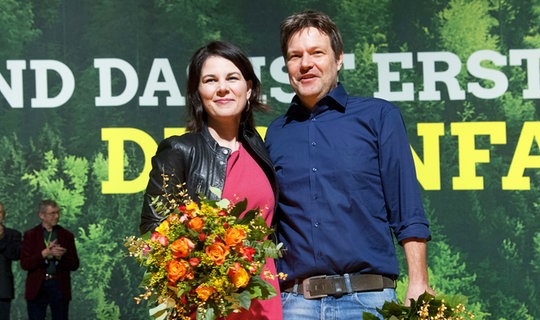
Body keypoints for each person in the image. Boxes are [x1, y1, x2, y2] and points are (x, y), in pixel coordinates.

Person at [264, 10, 435, 319]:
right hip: (294, 306)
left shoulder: (379, 117)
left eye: (317, 53)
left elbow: (407, 209)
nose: (305, 64)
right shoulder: (276, 133)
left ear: (338, 58)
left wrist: (418, 283)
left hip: (367, 301)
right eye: (295, 56)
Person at [140, 40, 282, 320]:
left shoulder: (260, 148)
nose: (222, 88)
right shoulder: (179, 150)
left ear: (249, 88)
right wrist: (205, 261)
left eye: (232, 78)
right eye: (210, 80)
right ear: (197, 93)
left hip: (267, 305)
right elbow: (152, 233)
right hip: (207, 308)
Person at [20, 199, 80, 320]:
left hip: (59, 285)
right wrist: (44, 254)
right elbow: (25, 263)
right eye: (52, 213)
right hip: (37, 287)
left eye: (58, 212)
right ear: (41, 215)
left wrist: (59, 258)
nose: (56, 216)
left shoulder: (67, 235)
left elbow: (75, 264)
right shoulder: (30, 235)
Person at [0, 202, 21, 320]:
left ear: (4, 215)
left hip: (2, 290)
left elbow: (16, 255)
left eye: (0, 212)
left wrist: (2, 239)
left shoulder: (13, 234)